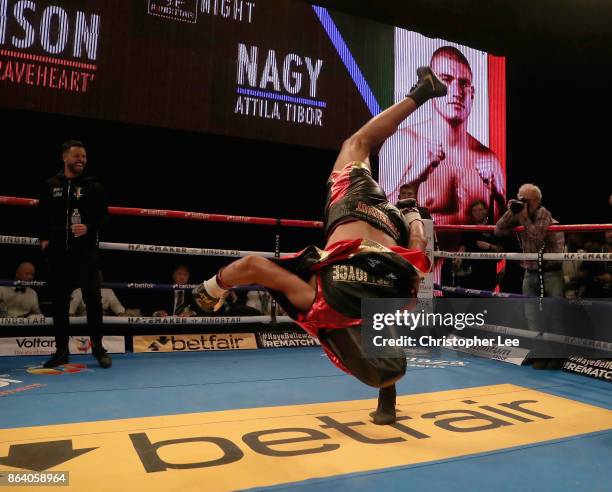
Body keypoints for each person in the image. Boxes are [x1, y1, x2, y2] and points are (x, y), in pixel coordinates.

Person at [193, 67, 446, 424]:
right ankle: (421, 92)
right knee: (355, 144)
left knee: (392, 301)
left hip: (393, 229)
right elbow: (251, 266)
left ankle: (387, 403)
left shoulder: (398, 301)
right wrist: (209, 291)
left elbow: (419, 251)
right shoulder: (320, 303)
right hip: (352, 210)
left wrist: (411, 211)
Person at [381, 46, 505, 226]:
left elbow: (500, 229)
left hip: (472, 253)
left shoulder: (488, 159)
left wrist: (500, 197)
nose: (456, 91)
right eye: (446, 80)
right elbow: (380, 216)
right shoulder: (403, 142)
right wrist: (413, 176)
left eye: (463, 83)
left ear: (472, 93)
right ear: (433, 88)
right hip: (419, 252)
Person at [38, 140, 112, 369]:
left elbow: (104, 218)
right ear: (65, 158)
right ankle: (61, 351)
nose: (81, 160)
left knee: (94, 301)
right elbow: (42, 215)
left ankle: (98, 349)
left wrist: (88, 227)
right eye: (77, 156)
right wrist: (44, 240)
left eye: (84, 157)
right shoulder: (51, 185)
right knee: (59, 304)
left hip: (85, 254)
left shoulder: (93, 186)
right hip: (59, 254)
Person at [495, 183, 565, 369]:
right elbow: (498, 230)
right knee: (532, 317)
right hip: (530, 271)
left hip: (550, 272)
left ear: (536, 201)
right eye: (520, 199)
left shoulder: (543, 213)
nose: (522, 203)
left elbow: (537, 237)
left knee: (555, 315)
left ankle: (558, 357)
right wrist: (511, 212)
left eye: (525, 200)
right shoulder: (518, 212)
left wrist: (524, 218)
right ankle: (539, 354)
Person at [453, 200, 502, 291]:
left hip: (487, 273)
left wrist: (490, 246)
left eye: (479, 210)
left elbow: (501, 253)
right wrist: (458, 258)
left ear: (485, 211)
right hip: (470, 273)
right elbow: (462, 246)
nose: (477, 213)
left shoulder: (494, 228)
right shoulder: (468, 229)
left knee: (485, 302)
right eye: (474, 211)